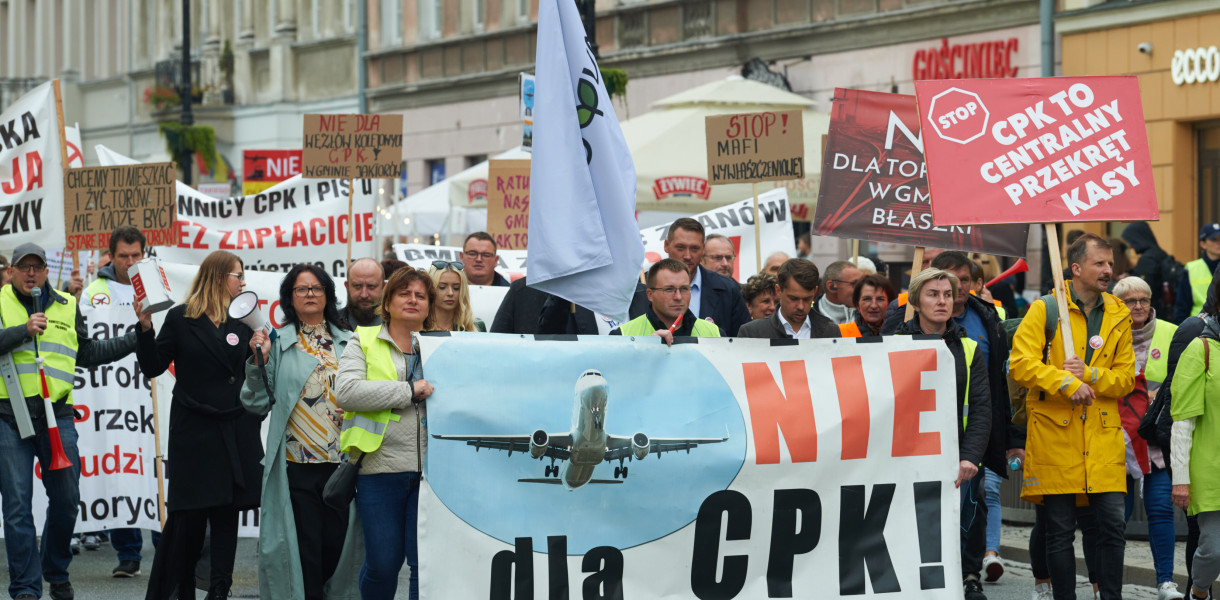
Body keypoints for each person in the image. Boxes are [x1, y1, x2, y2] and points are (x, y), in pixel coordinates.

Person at [0, 243, 142, 600]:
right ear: (14, 271)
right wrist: (21, 331)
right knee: (17, 506)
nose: (30, 273)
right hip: (8, 416)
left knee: (66, 501)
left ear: (47, 271)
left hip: (56, 416)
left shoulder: (67, 303)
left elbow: (88, 353)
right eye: (23, 267)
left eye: (37, 266)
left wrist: (137, 335)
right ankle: (26, 588)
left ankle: (55, 570)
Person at [1009, 233, 1135, 600]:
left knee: (1113, 525)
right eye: (1100, 263)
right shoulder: (1045, 308)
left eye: (1110, 263)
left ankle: (1110, 596)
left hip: (1102, 437)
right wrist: (1065, 381)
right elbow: (1021, 364)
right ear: (1076, 267)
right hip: (1055, 436)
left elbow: (1126, 378)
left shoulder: (1118, 313)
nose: (1108, 270)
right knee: (1059, 529)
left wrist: (1091, 376)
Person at [136, 250, 265, 600]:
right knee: (189, 521)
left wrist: (261, 353)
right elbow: (153, 367)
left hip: (235, 431)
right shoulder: (181, 318)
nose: (243, 283)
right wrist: (145, 329)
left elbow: (257, 379)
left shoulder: (246, 322)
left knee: (226, 516)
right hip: (194, 434)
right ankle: (182, 590)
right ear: (220, 276)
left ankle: (220, 590)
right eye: (238, 276)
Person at [241, 264, 363, 600]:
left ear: (327, 295)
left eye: (316, 288)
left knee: (336, 550)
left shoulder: (350, 341)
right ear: (290, 299)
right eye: (301, 289)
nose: (310, 294)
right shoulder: (277, 342)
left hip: (343, 464)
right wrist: (258, 362)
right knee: (305, 551)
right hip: (298, 465)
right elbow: (256, 403)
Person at [335, 268, 437, 600]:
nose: (412, 300)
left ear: (428, 306)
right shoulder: (362, 339)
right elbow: (348, 392)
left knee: (425, 566)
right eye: (404, 293)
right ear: (388, 302)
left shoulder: (442, 346)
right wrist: (408, 391)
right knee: (383, 564)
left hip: (433, 475)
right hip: (379, 469)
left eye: (420, 296)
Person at [891, 268, 991, 600]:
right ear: (916, 300)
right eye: (933, 294)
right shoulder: (893, 345)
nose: (942, 301)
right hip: (907, 457)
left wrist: (970, 456)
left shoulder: (968, 348)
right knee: (912, 527)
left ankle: (965, 579)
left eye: (947, 294)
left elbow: (980, 409)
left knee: (961, 524)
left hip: (955, 457)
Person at [78, 226, 154, 577]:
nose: (129, 262)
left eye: (135, 255)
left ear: (144, 253)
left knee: (155, 471)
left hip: (151, 392)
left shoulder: (156, 285)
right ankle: (128, 553)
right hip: (111, 395)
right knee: (119, 470)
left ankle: (167, 549)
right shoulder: (96, 292)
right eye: (123, 255)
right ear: (111, 256)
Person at [1111, 276, 1183, 600]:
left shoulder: (1171, 332)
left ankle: (1165, 582)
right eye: (1129, 301)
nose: (1138, 306)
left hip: (1156, 441)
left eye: (1143, 299)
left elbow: (1184, 378)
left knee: (1161, 510)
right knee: (1115, 518)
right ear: (1117, 305)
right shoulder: (1106, 335)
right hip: (1116, 441)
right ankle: (1107, 584)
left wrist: (1163, 397)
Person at [1171, 301, 1220, 600]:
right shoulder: (1200, 349)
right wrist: (1180, 478)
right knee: (1213, 548)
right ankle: (1199, 590)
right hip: (1209, 469)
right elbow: (1183, 422)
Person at [628, 218, 750, 336]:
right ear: (666, 245)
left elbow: (741, 345)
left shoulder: (728, 289)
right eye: (680, 248)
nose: (687, 256)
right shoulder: (639, 288)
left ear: (703, 249)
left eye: (694, 249)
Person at [612, 259, 721, 342]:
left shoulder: (715, 333)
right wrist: (646, 349)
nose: (678, 297)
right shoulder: (623, 335)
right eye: (669, 289)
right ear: (650, 295)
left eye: (684, 289)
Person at [737, 259, 840, 339]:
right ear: (778, 291)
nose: (800, 306)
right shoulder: (752, 333)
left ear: (815, 292)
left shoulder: (830, 332)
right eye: (793, 298)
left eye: (807, 299)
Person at [1122, 222, 1172, 318]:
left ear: (1138, 238)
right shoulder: (1160, 253)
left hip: (1152, 312)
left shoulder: (1147, 259)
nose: (1130, 246)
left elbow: (1142, 288)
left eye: (1131, 241)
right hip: (1163, 309)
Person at [1175, 224, 1220, 324]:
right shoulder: (1191, 269)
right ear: (1203, 244)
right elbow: (1182, 306)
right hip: (1199, 327)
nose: (1219, 243)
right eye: (1214, 239)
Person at [427, 261, 486, 332]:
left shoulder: (477, 326)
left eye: (456, 288)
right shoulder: (417, 326)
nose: (450, 293)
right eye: (442, 287)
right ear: (430, 290)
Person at [814, 260, 861, 325]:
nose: (861, 289)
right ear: (832, 286)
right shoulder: (808, 318)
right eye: (854, 284)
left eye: (862, 283)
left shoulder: (869, 317)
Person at [343, 258, 385, 328]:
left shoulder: (399, 325)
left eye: (371, 286)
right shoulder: (329, 324)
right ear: (347, 286)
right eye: (357, 286)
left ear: (384, 287)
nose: (364, 295)